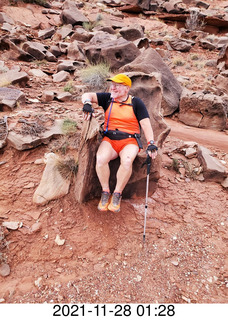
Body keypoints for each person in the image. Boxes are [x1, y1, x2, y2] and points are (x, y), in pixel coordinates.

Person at [81, 73, 158, 213]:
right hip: (110, 139)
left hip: (129, 140)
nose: (113, 88)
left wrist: (151, 143)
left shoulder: (136, 102)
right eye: (112, 85)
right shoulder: (108, 99)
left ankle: (117, 194)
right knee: (101, 159)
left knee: (127, 160)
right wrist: (86, 103)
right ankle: (105, 192)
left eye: (117, 86)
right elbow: (87, 95)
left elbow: (146, 125)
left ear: (126, 89)